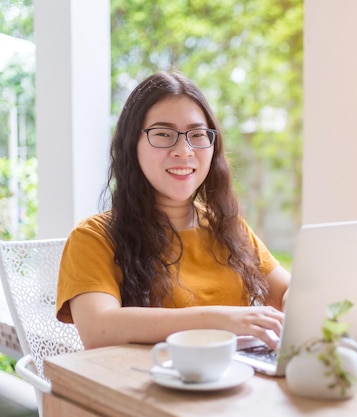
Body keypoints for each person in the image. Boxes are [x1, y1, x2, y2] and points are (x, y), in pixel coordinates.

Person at [56, 71, 290, 350]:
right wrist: (221, 319)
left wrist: (300, 303)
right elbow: (99, 328)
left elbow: (287, 291)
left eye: (197, 135)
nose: (184, 150)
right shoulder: (93, 237)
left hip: (234, 380)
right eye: (163, 134)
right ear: (132, 146)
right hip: (142, 386)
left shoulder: (227, 226)